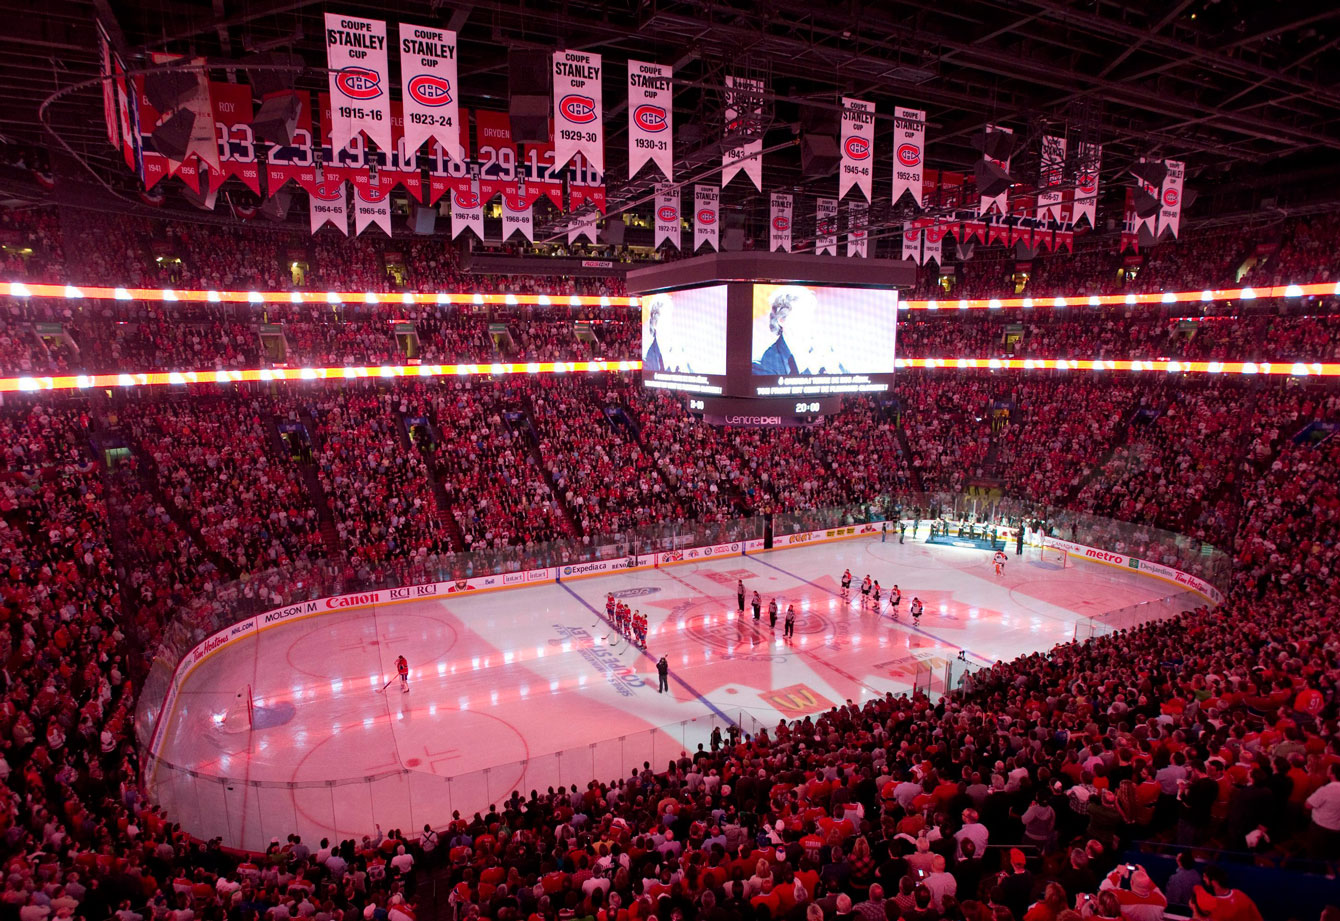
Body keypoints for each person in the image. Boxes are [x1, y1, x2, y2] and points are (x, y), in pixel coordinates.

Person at [752, 286, 837, 375]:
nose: (809, 320)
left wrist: (836, 372)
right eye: (802, 315)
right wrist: (811, 370)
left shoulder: (826, 350)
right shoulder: (763, 364)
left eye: (810, 313)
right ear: (781, 320)